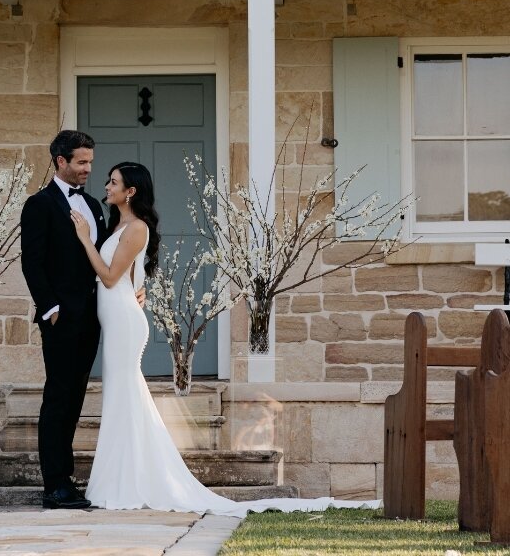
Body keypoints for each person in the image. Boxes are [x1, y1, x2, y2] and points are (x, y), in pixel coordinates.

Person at [70, 160, 379, 516]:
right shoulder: (118, 226)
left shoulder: (137, 227)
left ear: (131, 191)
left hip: (124, 325)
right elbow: (131, 277)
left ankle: (127, 484)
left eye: (113, 182)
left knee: (124, 398)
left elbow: (109, 278)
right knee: (122, 400)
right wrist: (137, 289)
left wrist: (83, 240)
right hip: (116, 320)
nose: (106, 187)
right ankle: (124, 479)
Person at [19, 129, 105, 510]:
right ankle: (55, 485)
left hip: (92, 318)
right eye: (81, 162)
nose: (88, 168)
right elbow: (32, 262)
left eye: (90, 161)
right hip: (60, 319)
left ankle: (67, 479)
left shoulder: (94, 206)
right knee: (58, 398)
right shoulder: (39, 205)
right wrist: (50, 309)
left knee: (75, 399)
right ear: (61, 162)